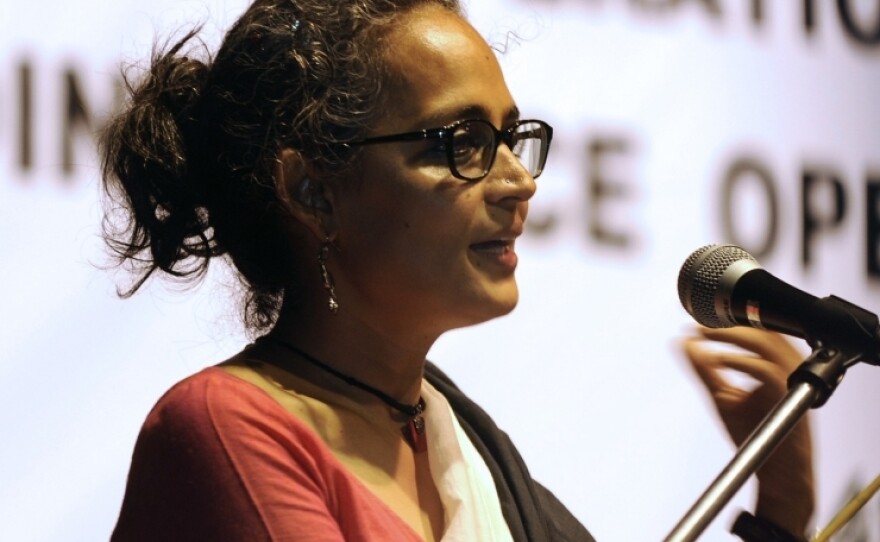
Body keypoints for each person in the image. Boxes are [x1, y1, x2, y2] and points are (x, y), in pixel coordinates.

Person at [101, 0, 814, 540]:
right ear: (313, 191)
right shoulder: (223, 430)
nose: (518, 182)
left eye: (510, 138)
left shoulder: (467, 449)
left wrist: (780, 507)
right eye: (463, 142)